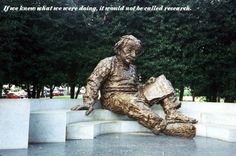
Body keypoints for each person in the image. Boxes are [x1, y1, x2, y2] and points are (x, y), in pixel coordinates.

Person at [72, 35, 197, 138]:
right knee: (130, 100)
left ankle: (172, 113)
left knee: (161, 81)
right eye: (129, 50)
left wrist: (147, 85)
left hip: (134, 96)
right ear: (119, 50)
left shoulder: (133, 68)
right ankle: (162, 126)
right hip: (113, 98)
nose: (133, 54)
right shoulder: (107, 62)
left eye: (136, 51)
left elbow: (135, 86)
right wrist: (88, 102)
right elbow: (94, 81)